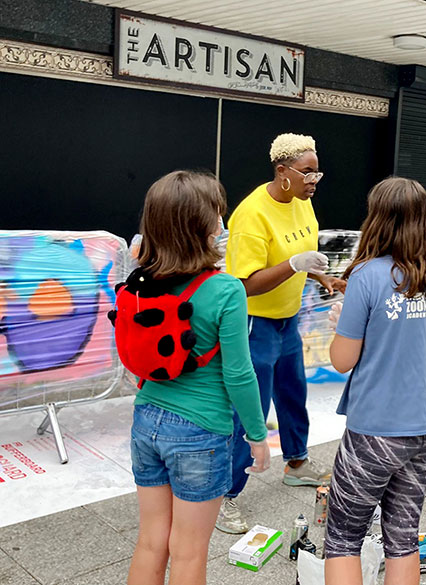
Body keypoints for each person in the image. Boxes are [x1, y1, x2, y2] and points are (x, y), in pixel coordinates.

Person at [125, 171, 269, 585]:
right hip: (200, 432)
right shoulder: (225, 290)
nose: (222, 226)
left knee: (151, 541)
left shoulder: (142, 280)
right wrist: (257, 436)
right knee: (188, 552)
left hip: (146, 418)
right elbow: (239, 373)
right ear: (201, 228)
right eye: (217, 217)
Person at [322, 177, 426, 585]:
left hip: (376, 429)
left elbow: (342, 360)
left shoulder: (367, 276)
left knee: (344, 538)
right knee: (402, 537)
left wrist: (340, 325)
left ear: (377, 219)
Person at [219, 133, 345, 534]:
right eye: (307, 172)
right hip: (254, 323)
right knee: (248, 407)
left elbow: (301, 257)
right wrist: (294, 264)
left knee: (293, 392)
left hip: (288, 318)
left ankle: (297, 462)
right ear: (282, 171)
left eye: (317, 172)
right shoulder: (252, 214)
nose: (314, 181)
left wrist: (323, 275)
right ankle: (226, 493)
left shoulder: (302, 204)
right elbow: (244, 284)